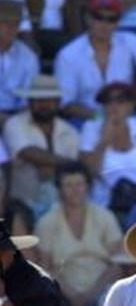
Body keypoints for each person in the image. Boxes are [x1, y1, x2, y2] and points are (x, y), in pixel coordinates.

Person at [54, 0, 136, 124]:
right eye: (99, 17)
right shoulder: (68, 54)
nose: (104, 24)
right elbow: (65, 104)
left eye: (112, 19)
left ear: (118, 22)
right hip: (86, 119)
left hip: (125, 117)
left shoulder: (128, 41)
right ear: (87, 18)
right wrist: (100, 117)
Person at [34, 162, 124, 306]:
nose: (75, 190)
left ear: (88, 187)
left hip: (102, 290)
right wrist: (73, 296)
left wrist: (92, 294)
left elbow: (118, 264)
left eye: (79, 184)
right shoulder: (47, 223)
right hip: (62, 292)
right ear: (60, 189)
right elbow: (45, 267)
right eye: (68, 185)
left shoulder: (105, 217)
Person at [80, 82, 136, 211]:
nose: (114, 106)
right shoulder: (91, 128)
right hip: (107, 203)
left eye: (121, 100)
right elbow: (88, 173)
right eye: (108, 101)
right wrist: (103, 142)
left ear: (131, 106)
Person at [2, 74, 79, 220]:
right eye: (39, 100)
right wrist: (66, 165)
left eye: (49, 100)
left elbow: (73, 172)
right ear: (29, 102)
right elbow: (28, 152)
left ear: (58, 103)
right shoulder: (14, 123)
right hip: (21, 205)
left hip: (62, 207)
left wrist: (51, 164)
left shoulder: (70, 131)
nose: (44, 105)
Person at [0, 0, 39, 127]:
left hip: (17, 119)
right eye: (5, 23)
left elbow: (28, 100)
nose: (11, 28)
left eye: (15, 23)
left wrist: (16, 123)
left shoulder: (28, 57)